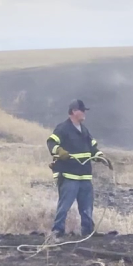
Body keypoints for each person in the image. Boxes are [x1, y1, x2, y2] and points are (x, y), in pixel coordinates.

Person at [46, 99, 102, 241]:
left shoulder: (84, 130)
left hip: (85, 176)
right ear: (74, 111)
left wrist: (99, 156)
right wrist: (59, 151)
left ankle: (87, 230)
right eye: (82, 110)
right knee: (64, 205)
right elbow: (51, 142)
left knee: (87, 206)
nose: (84, 113)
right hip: (69, 175)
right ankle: (57, 230)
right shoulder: (63, 128)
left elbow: (92, 146)